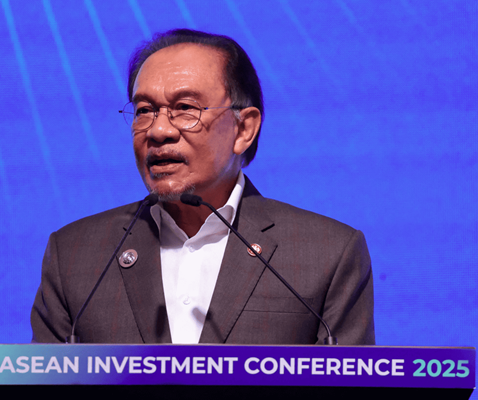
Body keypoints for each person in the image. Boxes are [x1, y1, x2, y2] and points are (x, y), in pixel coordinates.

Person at [31, 29, 375, 345]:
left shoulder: (326, 253)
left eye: (185, 108)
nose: (158, 131)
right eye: (144, 110)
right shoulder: (75, 256)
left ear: (244, 129)